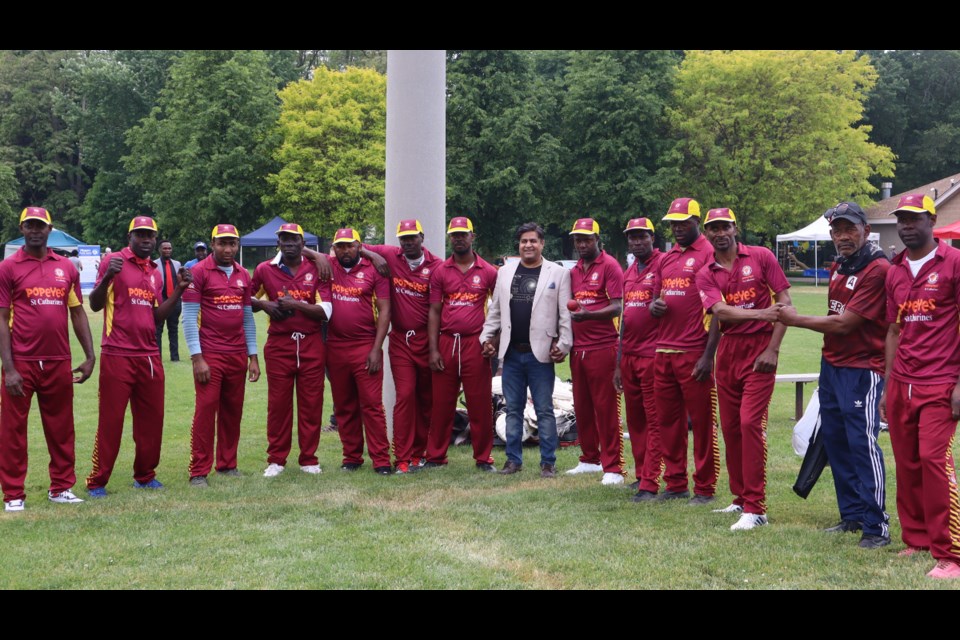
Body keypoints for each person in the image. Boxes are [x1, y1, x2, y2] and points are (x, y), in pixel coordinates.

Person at [779, 202, 890, 548]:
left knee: (861, 445)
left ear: (866, 231)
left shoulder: (877, 268)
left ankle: (876, 526)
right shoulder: (840, 265)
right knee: (837, 443)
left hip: (862, 369)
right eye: (837, 230)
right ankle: (852, 516)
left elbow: (845, 323)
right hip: (833, 366)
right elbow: (834, 315)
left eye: (849, 229)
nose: (842, 236)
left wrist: (793, 319)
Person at [696, 208, 791, 530]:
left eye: (725, 226)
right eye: (713, 228)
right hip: (729, 352)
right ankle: (739, 499)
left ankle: (756, 507)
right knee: (731, 428)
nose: (720, 233)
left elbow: (786, 303)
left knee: (750, 424)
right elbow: (719, 310)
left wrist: (773, 349)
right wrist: (761, 314)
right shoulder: (706, 272)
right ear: (707, 234)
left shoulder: (761, 256)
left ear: (734, 228)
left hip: (759, 351)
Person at [881, 194, 960, 578]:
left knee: (933, 460)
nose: (907, 225)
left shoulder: (954, 263)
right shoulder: (895, 270)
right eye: (902, 219)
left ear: (931, 219)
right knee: (908, 463)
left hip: (941, 381)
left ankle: (951, 553)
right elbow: (893, 330)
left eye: (914, 218)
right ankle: (917, 540)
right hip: (902, 383)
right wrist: (888, 384)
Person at [85, 217, 192, 497]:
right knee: (111, 421)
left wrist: (179, 290)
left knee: (152, 420)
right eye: (140, 234)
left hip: (149, 356)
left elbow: (155, 316)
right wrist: (108, 276)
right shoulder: (114, 261)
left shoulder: (155, 271)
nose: (146, 239)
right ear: (130, 235)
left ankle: (145, 476)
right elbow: (95, 305)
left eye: (150, 235)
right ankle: (97, 481)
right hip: (117, 353)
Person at [0, 207, 96, 511]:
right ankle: (14, 494)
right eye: (29, 225)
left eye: (40, 225)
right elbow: (1, 318)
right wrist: (9, 367)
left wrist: (90, 355)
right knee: (12, 430)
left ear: (49, 228)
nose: (35, 230)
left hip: (58, 360)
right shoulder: (8, 268)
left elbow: (78, 311)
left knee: (61, 427)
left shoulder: (66, 267)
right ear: (22, 229)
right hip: (22, 361)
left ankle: (61, 487)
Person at [481, 222, 573, 478]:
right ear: (518, 245)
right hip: (511, 353)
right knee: (513, 408)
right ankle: (513, 461)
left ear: (542, 244)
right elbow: (496, 311)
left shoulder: (558, 273)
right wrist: (486, 338)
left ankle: (548, 463)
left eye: (533, 241)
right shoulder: (505, 273)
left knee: (544, 409)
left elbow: (565, 315)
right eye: (524, 241)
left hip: (541, 354)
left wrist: (563, 344)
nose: (528, 245)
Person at [649, 198, 720, 504]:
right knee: (668, 421)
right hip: (663, 350)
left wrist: (707, 355)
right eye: (673, 223)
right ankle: (675, 482)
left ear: (696, 222)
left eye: (683, 222)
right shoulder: (666, 258)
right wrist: (655, 306)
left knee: (702, 423)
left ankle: (704, 487)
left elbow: (718, 309)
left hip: (694, 350)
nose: (677, 228)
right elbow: (656, 300)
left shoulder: (709, 253)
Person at [360, 219, 442, 474]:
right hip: (400, 341)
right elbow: (351, 245)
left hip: (426, 340)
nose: (407, 243)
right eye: (403, 239)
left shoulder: (436, 265)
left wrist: (433, 348)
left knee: (426, 398)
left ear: (422, 237)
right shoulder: (390, 255)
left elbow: (435, 310)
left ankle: (420, 453)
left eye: (412, 238)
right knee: (405, 395)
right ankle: (403, 457)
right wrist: (372, 254)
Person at [182, 224, 260, 487]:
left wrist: (253, 356)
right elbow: (189, 318)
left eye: (232, 244)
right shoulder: (198, 272)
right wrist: (197, 357)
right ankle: (199, 471)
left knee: (232, 411)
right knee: (205, 410)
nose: (227, 249)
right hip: (210, 355)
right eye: (222, 243)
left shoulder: (242, 275)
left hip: (237, 353)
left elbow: (248, 318)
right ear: (212, 243)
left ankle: (227, 465)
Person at [252, 223, 331, 478]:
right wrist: (266, 305)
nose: (288, 243)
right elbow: (246, 298)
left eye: (293, 239)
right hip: (279, 343)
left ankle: (309, 458)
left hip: (310, 342)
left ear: (301, 242)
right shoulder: (265, 269)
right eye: (283, 239)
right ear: (278, 243)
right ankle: (276, 460)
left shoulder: (316, 268)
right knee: (278, 405)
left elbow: (326, 310)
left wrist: (295, 305)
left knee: (311, 403)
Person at [424, 217, 498, 472]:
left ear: (472, 237)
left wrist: (493, 341)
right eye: (453, 234)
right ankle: (435, 456)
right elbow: (434, 311)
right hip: (447, 342)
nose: (458, 238)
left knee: (479, 404)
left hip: (475, 345)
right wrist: (433, 349)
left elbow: (499, 311)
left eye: (462, 234)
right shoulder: (440, 271)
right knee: (442, 404)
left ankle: (483, 458)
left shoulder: (488, 271)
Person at [326, 228, 392, 474]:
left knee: (372, 405)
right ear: (334, 248)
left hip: (365, 345)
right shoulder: (328, 266)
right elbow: (300, 250)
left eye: (350, 245)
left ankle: (381, 460)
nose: (345, 250)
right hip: (335, 346)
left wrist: (377, 348)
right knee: (344, 405)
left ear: (359, 246)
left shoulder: (374, 269)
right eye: (340, 246)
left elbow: (385, 310)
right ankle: (351, 457)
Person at [566, 218, 625, 486]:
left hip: (603, 346)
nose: (582, 244)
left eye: (587, 239)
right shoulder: (575, 270)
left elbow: (616, 307)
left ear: (597, 240)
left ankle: (613, 466)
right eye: (578, 239)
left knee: (606, 408)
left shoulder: (610, 265)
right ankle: (590, 459)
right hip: (579, 349)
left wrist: (589, 316)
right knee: (583, 406)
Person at [613, 217, 664, 500]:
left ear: (652, 238)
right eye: (632, 237)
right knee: (635, 421)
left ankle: (651, 482)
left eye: (641, 236)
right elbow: (624, 321)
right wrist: (619, 362)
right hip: (630, 355)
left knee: (654, 419)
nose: (636, 241)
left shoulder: (663, 265)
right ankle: (641, 473)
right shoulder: (629, 271)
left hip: (652, 354)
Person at [155, 239, 183, 361]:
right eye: (165, 248)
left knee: (173, 329)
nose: (167, 250)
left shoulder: (177, 264)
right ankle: (157, 356)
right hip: (161, 300)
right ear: (159, 250)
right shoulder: (154, 264)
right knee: (158, 330)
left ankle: (175, 357)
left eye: (169, 248)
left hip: (174, 301)